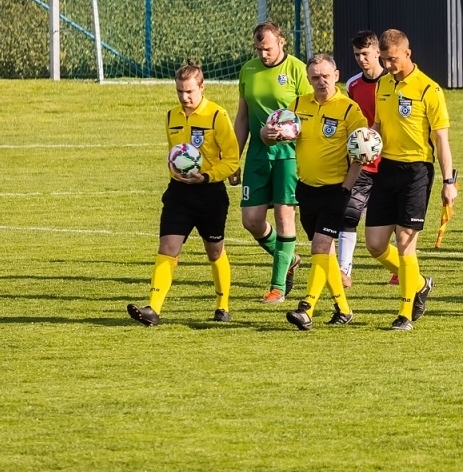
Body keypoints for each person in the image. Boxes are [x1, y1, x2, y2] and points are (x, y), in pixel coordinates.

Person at [127, 62, 240, 326]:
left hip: (210, 193)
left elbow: (232, 160)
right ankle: (153, 308)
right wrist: (175, 170)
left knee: (214, 251)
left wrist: (207, 175)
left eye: (189, 91)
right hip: (179, 194)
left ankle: (222, 305)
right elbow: (174, 155)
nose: (184, 97)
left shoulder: (216, 115)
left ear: (202, 87)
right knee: (168, 248)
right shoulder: (171, 116)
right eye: (179, 91)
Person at [365, 29, 454, 332]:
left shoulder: (429, 90)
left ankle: (404, 315)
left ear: (407, 53)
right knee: (375, 245)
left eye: (392, 59)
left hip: (417, 171)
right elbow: (378, 124)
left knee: (405, 243)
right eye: (384, 59)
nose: (388, 65)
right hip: (386, 168)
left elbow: (441, 140)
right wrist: (366, 142)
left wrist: (448, 181)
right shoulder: (383, 86)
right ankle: (418, 283)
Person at [284, 54, 367, 330]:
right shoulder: (297, 104)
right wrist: (271, 134)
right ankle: (343, 309)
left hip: (336, 190)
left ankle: (306, 307)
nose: (321, 81)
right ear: (308, 79)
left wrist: (346, 188)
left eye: (326, 76)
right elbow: (272, 133)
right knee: (325, 253)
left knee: (320, 247)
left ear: (336, 75)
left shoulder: (348, 110)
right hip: (306, 188)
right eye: (315, 77)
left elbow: (361, 153)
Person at [234, 21, 311, 303]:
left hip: (289, 154)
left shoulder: (297, 70)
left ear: (281, 42)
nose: (262, 54)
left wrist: (290, 131)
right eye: (258, 49)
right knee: (251, 220)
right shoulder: (248, 70)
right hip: (257, 153)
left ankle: (277, 288)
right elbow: (242, 117)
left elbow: (309, 114)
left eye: (266, 49)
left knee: (284, 215)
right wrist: (234, 157)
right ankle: (289, 259)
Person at [337, 31, 384, 289]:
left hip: (390, 161)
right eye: (357, 55)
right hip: (362, 161)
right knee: (348, 213)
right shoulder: (353, 85)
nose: (361, 59)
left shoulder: (391, 82)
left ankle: (401, 268)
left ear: (377, 51)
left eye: (365, 54)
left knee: (391, 221)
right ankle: (344, 269)